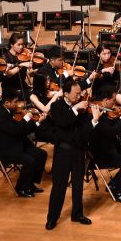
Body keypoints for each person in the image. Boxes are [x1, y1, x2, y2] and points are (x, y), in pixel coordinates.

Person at [46, 80, 94, 230]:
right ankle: (52, 218)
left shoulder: (83, 106)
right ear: (66, 93)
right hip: (63, 151)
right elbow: (63, 123)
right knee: (59, 186)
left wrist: (94, 120)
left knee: (78, 184)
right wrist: (75, 109)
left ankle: (77, 214)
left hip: (78, 150)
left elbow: (85, 128)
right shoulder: (56, 106)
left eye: (80, 93)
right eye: (76, 94)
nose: (80, 96)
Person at [0, 92, 48, 198]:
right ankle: (21, 188)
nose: (18, 105)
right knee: (29, 161)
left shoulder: (12, 112)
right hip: (7, 149)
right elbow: (15, 130)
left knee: (41, 154)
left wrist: (38, 122)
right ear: (7, 103)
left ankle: (30, 184)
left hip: (17, 144)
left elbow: (23, 130)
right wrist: (26, 118)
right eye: (15, 102)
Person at [87, 86, 121, 203]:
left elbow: (115, 127)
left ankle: (114, 184)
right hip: (100, 154)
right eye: (113, 100)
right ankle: (117, 192)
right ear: (105, 100)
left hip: (111, 148)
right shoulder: (97, 114)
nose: (115, 103)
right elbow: (112, 131)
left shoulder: (106, 112)